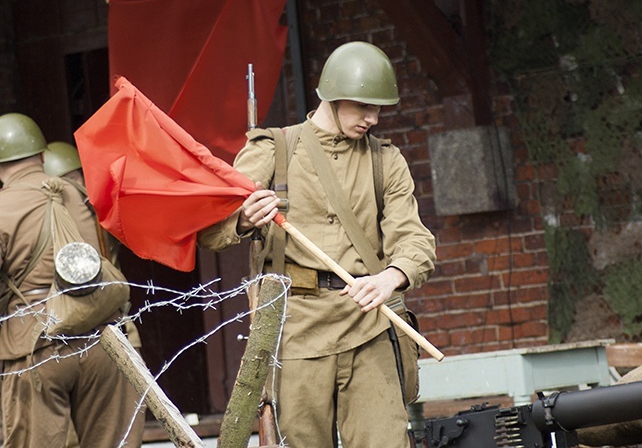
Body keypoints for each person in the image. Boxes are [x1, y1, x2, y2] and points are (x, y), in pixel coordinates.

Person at [199, 41, 437, 448]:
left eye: (378, 109)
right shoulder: (272, 148)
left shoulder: (386, 160)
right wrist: (243, 219)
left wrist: (392, 277)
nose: (372, 118)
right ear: (333, 95)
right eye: (364, 106)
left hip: (368, 324)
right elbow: (210, 227)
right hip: (295, 330)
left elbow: (414, 237)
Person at [0, 113, 138, 447]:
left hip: (35, 347)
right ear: (43, 156)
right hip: (104, 340)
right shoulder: (83, 195)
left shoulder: (3, 207)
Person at [43, 140, 146, 448]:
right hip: (112, 332)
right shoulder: (97, 209)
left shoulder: (50, 213)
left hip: (56, 339)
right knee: (116, 436)